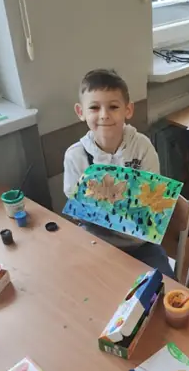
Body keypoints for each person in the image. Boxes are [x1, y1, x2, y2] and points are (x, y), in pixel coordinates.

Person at [63, 69, 173, 277]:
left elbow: (154, 206)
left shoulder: (142, 147)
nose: (104, 115)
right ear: (80, 112)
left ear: (128, 110)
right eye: (94, 107)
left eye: (113, 107)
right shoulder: (75, 156)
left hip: (141, 245)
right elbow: (78, 209)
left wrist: (102, 199)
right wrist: (130, 200)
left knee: (163, 285)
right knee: (86, 285)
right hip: (95, 240)